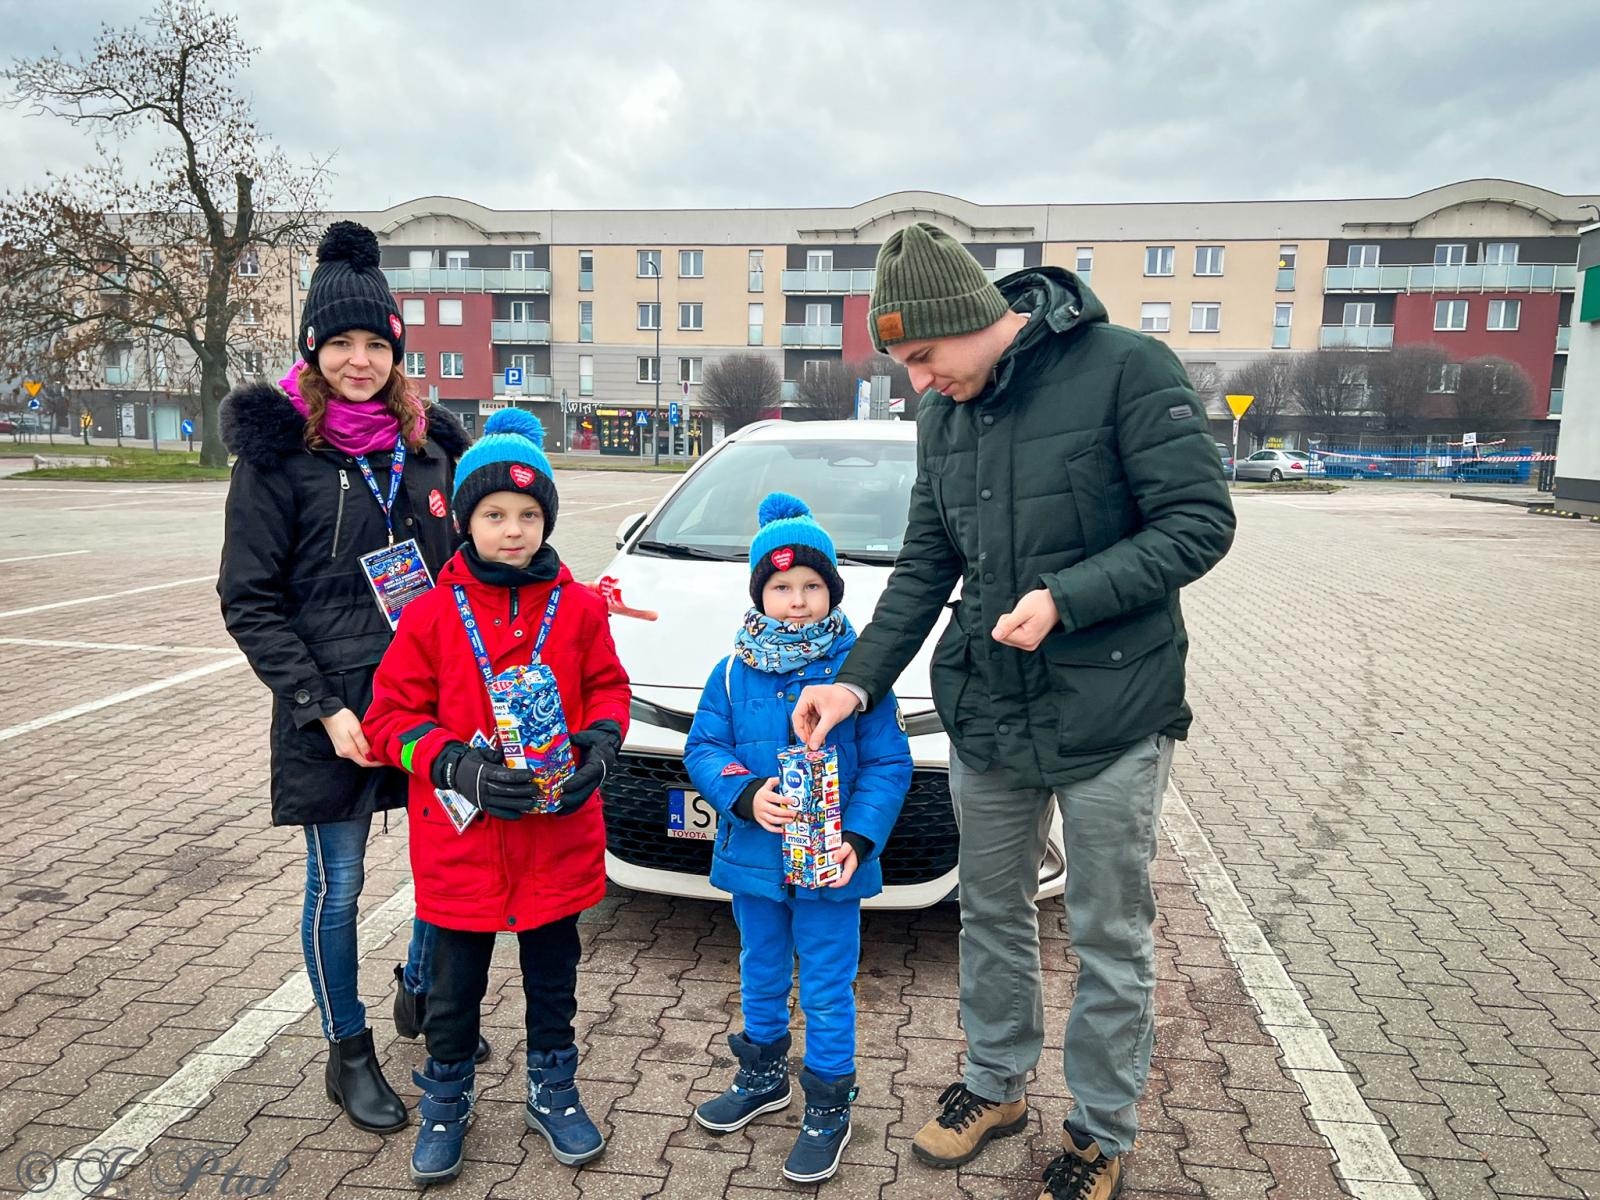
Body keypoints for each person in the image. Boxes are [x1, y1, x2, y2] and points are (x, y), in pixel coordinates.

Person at [791, 224, 1236, 1200]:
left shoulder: (1125, 369)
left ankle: (1098, 1131)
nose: (915, 381)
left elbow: (1200, 523)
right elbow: (923, 568)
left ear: (971, 322)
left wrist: (1069, 595)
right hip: (991, 706)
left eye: (921, 357)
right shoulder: (944, 419)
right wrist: (854, 681)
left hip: (1114, 705)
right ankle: (994, 1085)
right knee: (990, 910)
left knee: (1105, 931)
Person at [219, 221, 477, 1134]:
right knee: (339, 884)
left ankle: (421, 991)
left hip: (429, 702)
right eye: (341, 343)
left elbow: (464, 571)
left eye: (376, 343)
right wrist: (320, 706)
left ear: (398, 349)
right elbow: (248, 600)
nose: (360, 360)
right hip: (333, 714)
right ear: (313, 350)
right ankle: (348, 1049)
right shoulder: (278, 455)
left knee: (441, 866)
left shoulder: (431, 447)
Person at [362, 408, 631, 1184]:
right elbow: (390, 720)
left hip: (556, 837)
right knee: (454, 988)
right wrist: (456, 767)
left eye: (528, 514)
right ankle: (446, 1097)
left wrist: (599, 745)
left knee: (555, 978)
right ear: (467, 520)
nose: (512, 530)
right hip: (465, 846)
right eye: (493, 515)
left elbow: (610, 690)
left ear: (546, 520)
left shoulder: (578, 608)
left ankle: (554, 1085)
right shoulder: (431, 614)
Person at [683, 494, 911, 1185]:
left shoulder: (858, 677)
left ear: (832, 590)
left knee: (827, 984)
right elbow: (703, 749)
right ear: (759, 592)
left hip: (830, 870)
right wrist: (747, 795)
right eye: (782, 587)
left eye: (813, 586)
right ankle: (761, 1078)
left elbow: (888, 765)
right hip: (755, 862)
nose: (798, 600)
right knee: (758, 968)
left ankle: (829, 1106)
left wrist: (861, 841)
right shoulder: (731, 670)